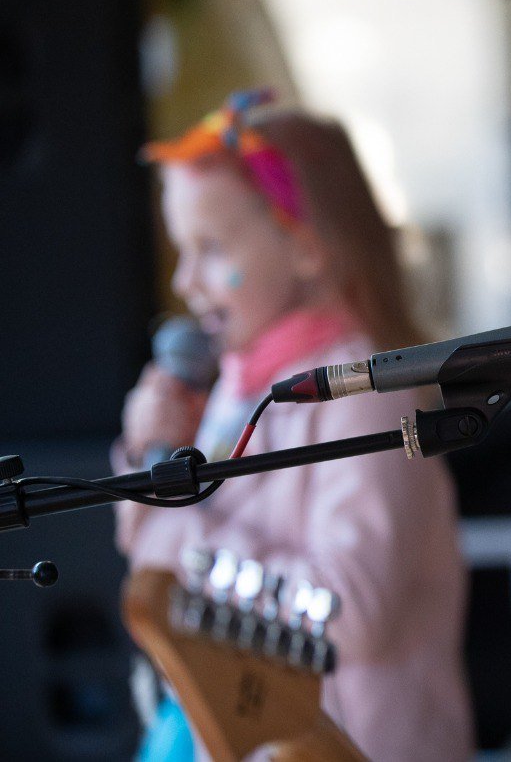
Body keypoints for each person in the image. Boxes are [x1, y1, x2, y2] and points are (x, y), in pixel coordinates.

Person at [115, 90, 473, 761]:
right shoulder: (233, 386)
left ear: (306, 246)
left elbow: (349, 611)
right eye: (179, 250)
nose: (186, 281)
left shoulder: (364, 392)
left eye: (210, 248)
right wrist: (150, 450)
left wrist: (174, 526)